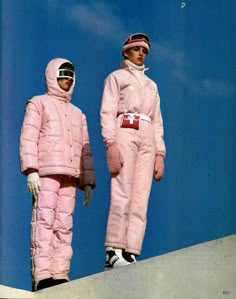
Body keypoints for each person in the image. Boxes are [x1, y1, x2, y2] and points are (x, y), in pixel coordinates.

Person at [19, 58, 96, 291]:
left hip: (70, 175)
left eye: (71, 75)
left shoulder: (78, 114)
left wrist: (87, 181)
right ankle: (42, 276)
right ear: (52, 75)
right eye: (63, 74)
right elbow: (28, 137)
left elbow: (85, 148)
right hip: (47, 172)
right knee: (44, 221)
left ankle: (60, 274)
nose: (67, 79)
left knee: (64, 225)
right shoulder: (39, 103)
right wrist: (31, 170)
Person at [100, 33, 166, 269]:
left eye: (144, 51)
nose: (141, 53)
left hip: (147, 133)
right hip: (125, 128)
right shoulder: (116, 77)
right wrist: (111, 144)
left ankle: (131, 251)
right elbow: (107, 111)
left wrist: (160, 154)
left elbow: (157, 121)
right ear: (126, 51)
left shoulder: (152, 85)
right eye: (136, 49)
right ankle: (113, 250)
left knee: (141, 195)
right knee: (123, 191)